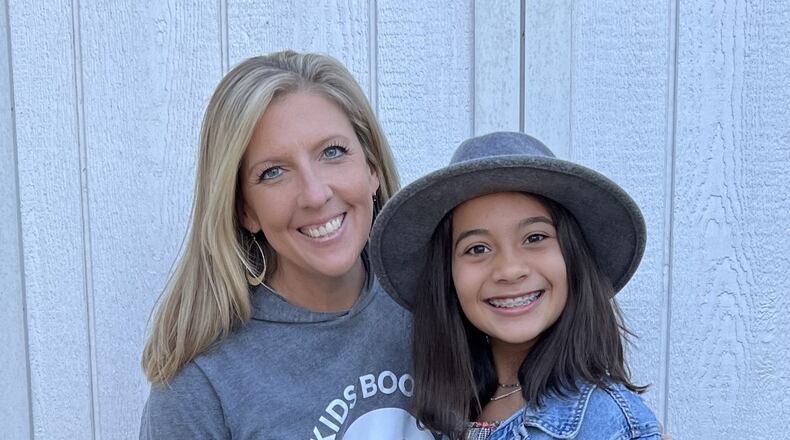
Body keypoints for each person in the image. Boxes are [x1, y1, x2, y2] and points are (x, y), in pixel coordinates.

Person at [140, 50, 434, 439]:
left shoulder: (439, 307)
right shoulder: (202, 385)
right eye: (273, 173)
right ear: (245, 210)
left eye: (332, 152)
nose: (314, 194)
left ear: (371, 169)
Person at [370, 132, 662, 439]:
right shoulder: (457, 408)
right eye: (477, 248)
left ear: (572, 256)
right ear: (449, 277)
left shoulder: (606, 421)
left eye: (535, 238)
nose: (509, 270)